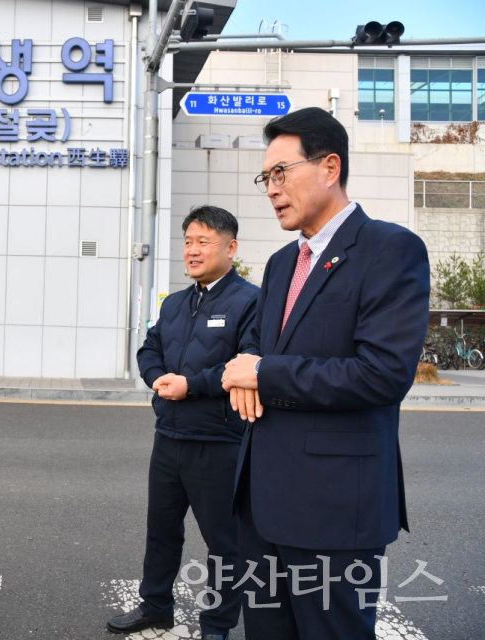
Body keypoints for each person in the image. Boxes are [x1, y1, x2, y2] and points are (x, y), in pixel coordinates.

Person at [221, 107, 430, 639]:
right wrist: (243, 370)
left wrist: (263, 374)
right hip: (260, 502)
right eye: (265, 178)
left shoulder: (390, 249)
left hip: (334, 509)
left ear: (330, 166)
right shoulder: (280, 264)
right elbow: (255, 344)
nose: (271, 189)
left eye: (280, 173)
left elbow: (380, 373)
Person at [107, 206, 257, 640]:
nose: (192, 250)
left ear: (231, 248)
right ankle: (156, 607)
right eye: (188, 241)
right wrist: (158, 379)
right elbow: (148, 352)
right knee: (161, 532)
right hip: (169, 438)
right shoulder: (173, 304)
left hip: (219, 441)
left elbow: (245, 365)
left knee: (224, 546)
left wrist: (189, 385)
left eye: (203, 241)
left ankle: (217, 625)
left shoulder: (250, 301)